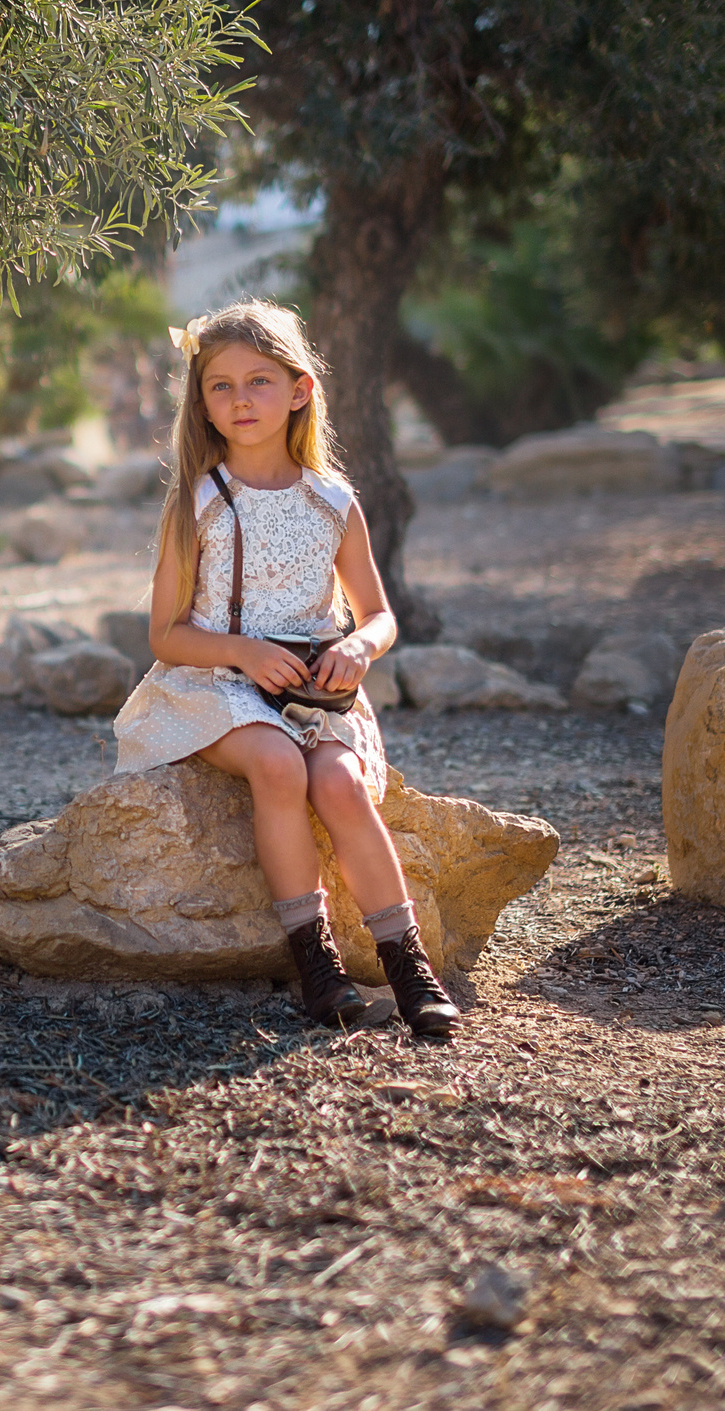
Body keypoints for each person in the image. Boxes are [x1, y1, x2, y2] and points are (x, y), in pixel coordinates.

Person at [110, 301, 460, 1037]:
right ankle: (317, 963)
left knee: (337, 781)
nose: (239, 400)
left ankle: (407, 963)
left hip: (311, 691)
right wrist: (242, 651)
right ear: (200, 401)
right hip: (212, 682)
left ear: (300, 388)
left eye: (259, 381)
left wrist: (357, 647)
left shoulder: (331, 501)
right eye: (220, 386)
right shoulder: (198, 501)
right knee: (278, 767)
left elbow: (380, 613)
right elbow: (165, 634)